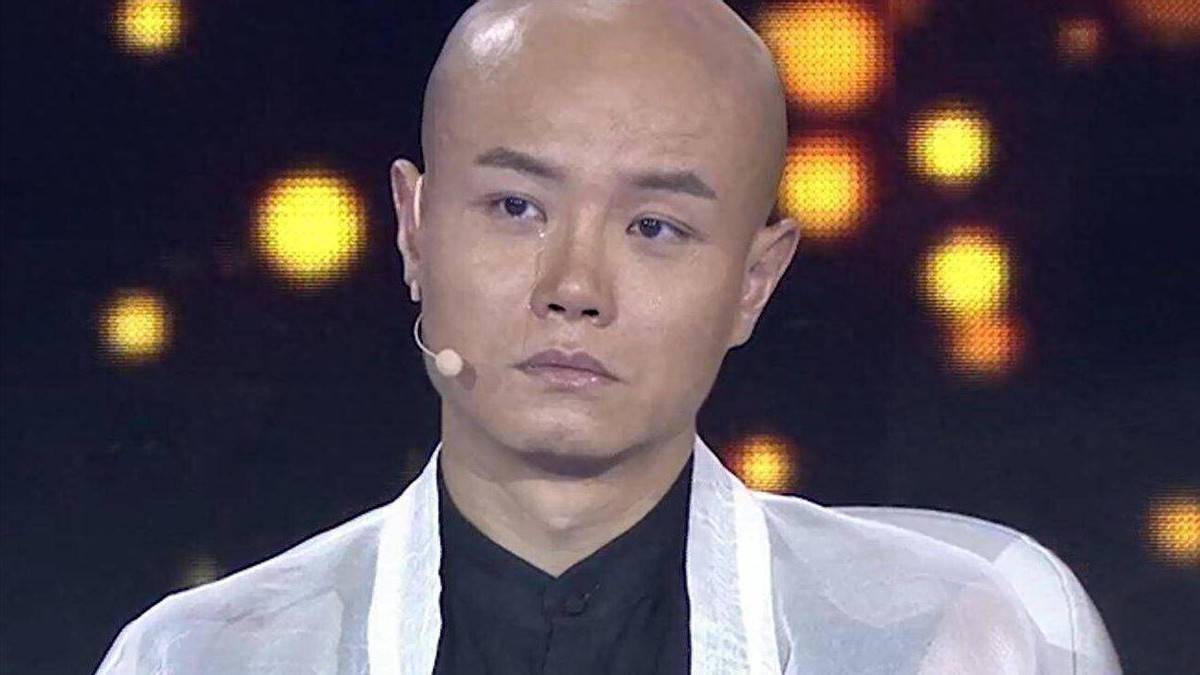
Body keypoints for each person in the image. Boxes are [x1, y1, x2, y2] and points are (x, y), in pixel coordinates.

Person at [95, 1, 1073, 673]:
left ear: (754, 280)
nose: (573, 288)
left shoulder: (942, 641)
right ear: (413, 230)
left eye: (654, 227)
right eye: (516, 207)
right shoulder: (200, 656)